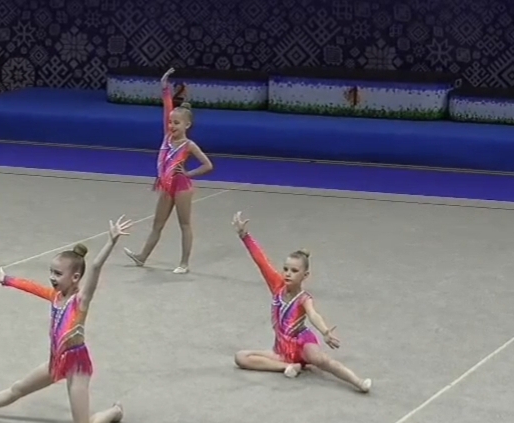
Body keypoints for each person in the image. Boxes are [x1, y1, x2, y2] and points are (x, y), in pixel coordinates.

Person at [0, 217, 135, 423]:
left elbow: (96, 267)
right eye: (51, 272)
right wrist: (6, 279)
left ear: (75, 277)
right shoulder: (55, 296)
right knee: (18, 388)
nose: (52, 277)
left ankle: (115, 411)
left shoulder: (80, 300)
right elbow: (32, 287)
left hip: (77, 365)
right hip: (57, 360)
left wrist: (111, 242)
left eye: (58, 274)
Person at [230, 211, 371, 393]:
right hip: (282, 349)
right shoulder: (277, 286)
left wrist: (325, 331)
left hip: (302, 343)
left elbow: (313, 315)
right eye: (286, 269)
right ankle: (288, 366)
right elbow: (262, 262)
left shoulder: (304, 298)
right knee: (241, 357)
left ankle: (358, 382)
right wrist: (245, 236)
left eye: (294, 271)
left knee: (321, 360)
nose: (288, 274)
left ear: (305, 275)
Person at [126, 68, 214, 274]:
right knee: (157, 224)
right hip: (166, 186)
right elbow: (167, 107)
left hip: (182, 187)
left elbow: (208, 165)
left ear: (187, 125)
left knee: (184, 225)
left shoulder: (189, 145)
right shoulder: (167, 137)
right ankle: (142, 257)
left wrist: (189, 174)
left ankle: (184, 263)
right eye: (170, 122)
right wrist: (164, 86)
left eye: (176, 123)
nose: (172, 125)